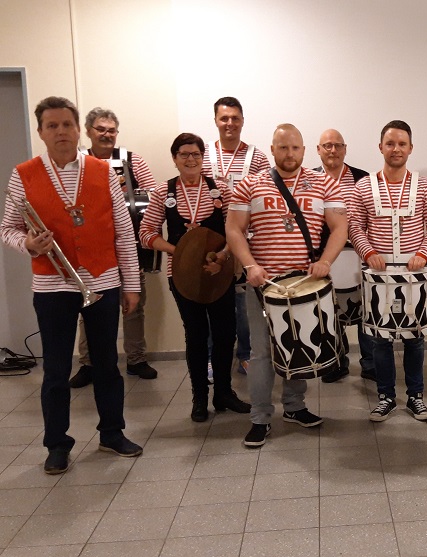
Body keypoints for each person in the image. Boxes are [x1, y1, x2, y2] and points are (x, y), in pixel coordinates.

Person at [0, 96, 143, 474]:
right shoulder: (24, 173)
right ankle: (57, 444)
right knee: (57, 369)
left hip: (104, 281)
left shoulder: (101, 171)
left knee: (107, 364)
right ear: (41, 132)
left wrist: (132, 286)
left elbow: (124, 233)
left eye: (67, 124)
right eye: (52, 125)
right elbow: (7, 228)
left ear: (78, 128)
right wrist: (27, 244)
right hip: (52, 286)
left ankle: (112, 433)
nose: (60, 131)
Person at [226, 123, 348, 448]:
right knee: (262, 353)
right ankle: (260, 418)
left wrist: (326, 260)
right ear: (273, 149)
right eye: (283, 148)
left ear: (304, 151)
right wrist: (250, 265)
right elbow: (234, 229)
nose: (289, 154)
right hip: (263, 285)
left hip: (306, 284)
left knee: (301, 348)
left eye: (295, 148)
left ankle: (295, 407)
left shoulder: (324, 183)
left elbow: (340, 227)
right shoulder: (250, 184)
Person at [138, 133, 250, 422]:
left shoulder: (221, 190)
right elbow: (146, 233)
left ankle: (224, 393)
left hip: (219, 273)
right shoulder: (163, 193)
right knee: (197, 336)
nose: (190, 159)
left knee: (226, 335)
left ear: (203, 158)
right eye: (184, 154)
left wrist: (224, 256)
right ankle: (199, 398)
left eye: (196, 154)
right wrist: (179, 250)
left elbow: (235, 230)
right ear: (174, 158)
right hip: (182, 278)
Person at [348, 120, 427, 422]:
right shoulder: (363, 186)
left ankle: (416, 396)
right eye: (390, 143)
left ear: (411, 148)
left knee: (415, 337)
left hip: (414, 273)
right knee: (380, 339)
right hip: (378, 274)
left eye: (402, 144)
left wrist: (423, 252)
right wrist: (368, 251)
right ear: (380, 147)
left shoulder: (425, 185)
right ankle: (385, 396)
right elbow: (354, 226)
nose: (396, 149)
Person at [69, 107, 158, 387]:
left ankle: (136, 359)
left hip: (128, 243)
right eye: (100, 129)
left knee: (134, 303)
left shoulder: (131, 160)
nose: (106, 135)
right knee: (89, 304)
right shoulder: (78, 160)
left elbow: (153, 194)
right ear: (88, 131)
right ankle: (88, 363)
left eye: (111, 130)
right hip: (91, 246)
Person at [202, 97, 271, 376]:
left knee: (244, 302)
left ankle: (246, 354)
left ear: (242, 120)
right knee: (211, 298)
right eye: (224, 118)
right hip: (211, 237)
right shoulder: (203, 154)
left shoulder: (258, 157)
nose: (229, 123)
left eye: (235, 118)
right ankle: (211, 356)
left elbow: (266, 194)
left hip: (246, 237)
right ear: (216, 120)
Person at [312, 128, 374, 383]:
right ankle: (336, 363)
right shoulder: (309, 179)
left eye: (337, 145)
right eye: (327, 146)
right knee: (329, 312)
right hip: (325, 257)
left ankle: (370, 363)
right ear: (318, 150)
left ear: (345, 148)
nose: (333, 151)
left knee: (365, 311)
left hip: (359, 255)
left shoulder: (363, 179)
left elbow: (371, 216)